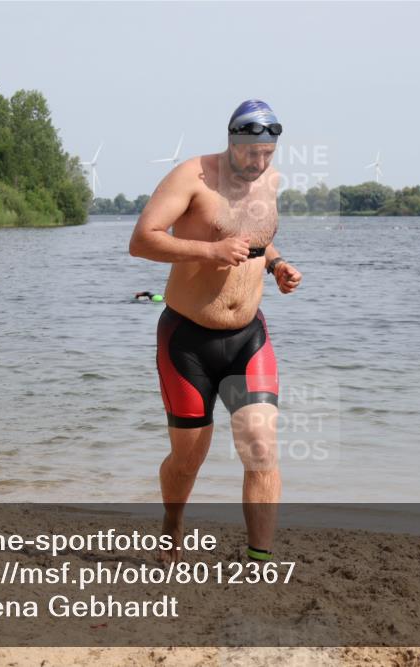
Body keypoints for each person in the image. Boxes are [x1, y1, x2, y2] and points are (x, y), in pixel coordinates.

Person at [129, 99, 302, 564]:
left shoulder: (270, 181)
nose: (259, 163)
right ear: (231, 141)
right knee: (188, 460)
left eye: (268, 154)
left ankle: (259, 559)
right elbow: (142, 240)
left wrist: (278, 265)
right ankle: (172, 523)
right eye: (251, 153)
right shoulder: (192, 176)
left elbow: (258, 239)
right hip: (187, 341)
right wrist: (210, 251)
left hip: (248, 337)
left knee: (260, 447)